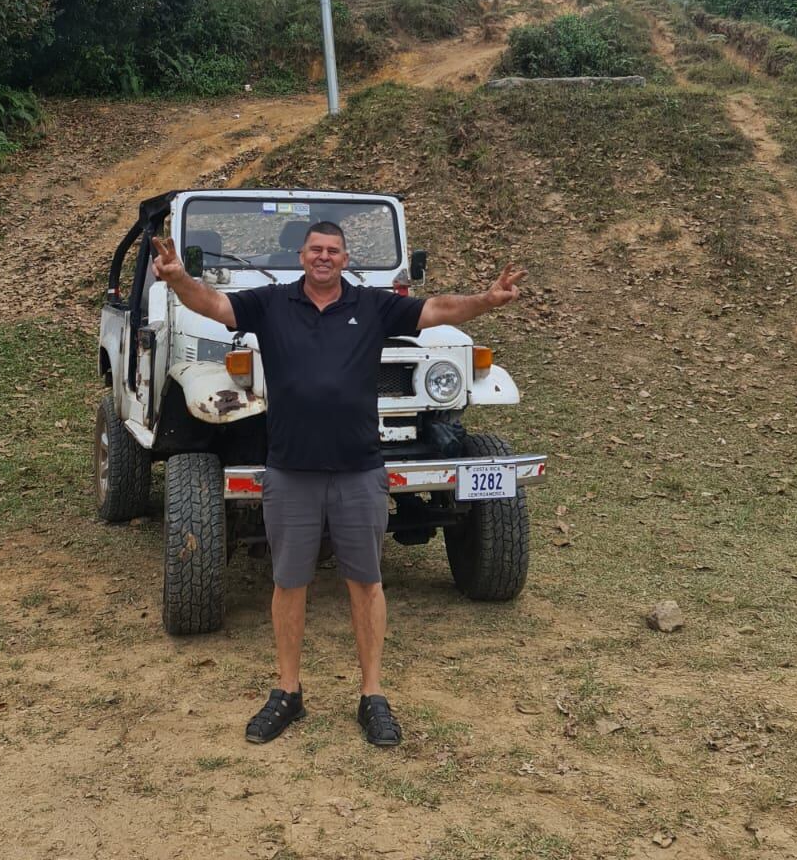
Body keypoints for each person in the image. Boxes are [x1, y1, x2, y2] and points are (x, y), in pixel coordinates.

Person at [150, 223, 526, 749]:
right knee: (289, 583)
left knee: (366, 582)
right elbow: (213, 304)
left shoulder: (373, 306)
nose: (324, 258)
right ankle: (288, 692)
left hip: (359, 471)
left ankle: (372, 695)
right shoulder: (270, 303)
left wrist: (487, 300)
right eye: (315, 250)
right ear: (301, 256)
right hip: (290, 472)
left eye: (333, 251)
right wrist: (176, 279)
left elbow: (438, 310)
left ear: (345, 258)